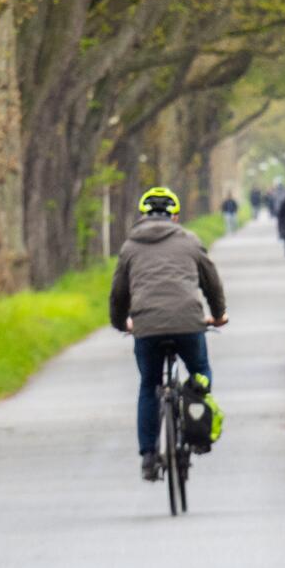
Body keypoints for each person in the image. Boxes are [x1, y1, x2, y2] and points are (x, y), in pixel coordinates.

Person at [110, 186, 228, 481]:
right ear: (175, 216)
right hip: (189, 322)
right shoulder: (190, 241)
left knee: (149, 384)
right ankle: (196, 429)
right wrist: (218, 314)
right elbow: (211, 282)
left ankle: (148, 456)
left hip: (146, 326)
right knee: (199, 370)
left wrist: (120, 322)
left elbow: (119, 294)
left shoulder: (130, 247)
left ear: (142, 215)